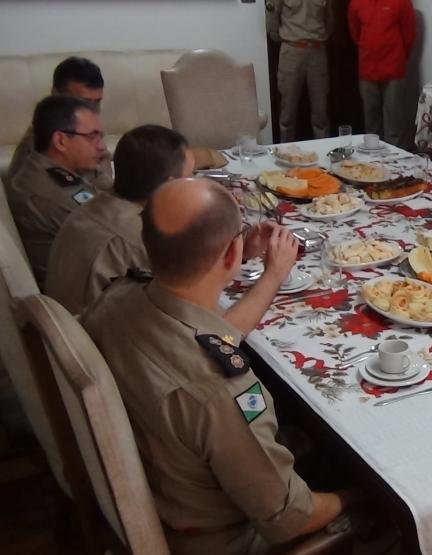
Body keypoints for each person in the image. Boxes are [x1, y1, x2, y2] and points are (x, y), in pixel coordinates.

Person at [82, 177, 359, 554]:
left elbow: (201, 338)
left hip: (161, 481)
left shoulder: (117, 298)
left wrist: (247, 258)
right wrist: (356, 495)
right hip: (223, 538)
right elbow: (291, 516)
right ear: (229, 256)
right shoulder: (222, 391)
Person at [45, 125, 194, 314]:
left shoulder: (95, 205)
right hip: (96, 336)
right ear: (168, 185)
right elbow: (190, 305)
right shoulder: (142, 237)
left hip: (71, 326)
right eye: (189, 178)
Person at [7, 95, 108, 281]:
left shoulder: (59, 167)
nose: (101, 146)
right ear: (60, 141)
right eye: (92, 137)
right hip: (81, 295)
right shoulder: (52, 193)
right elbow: (114, 235)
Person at [4, 56, 111, 188]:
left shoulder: (88, 137)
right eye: (83, 103)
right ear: (55, 94)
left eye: (97, 102)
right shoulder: (37, 152)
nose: (93, 111)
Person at [348, 0, 415, 149]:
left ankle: (395, 164)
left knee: (394, 126)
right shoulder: (356, 3)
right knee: (371, 124)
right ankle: (373, 164)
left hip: (393, 70)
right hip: (367, 69)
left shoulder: (402, 2)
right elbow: (355, 32)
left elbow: (409, 34)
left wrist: (397, 58)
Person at [266, 0, 333, 141]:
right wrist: (289, 39)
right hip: (291, 51)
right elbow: (272, 23)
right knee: (287, 115)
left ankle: (324, 156)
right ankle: (286, 156)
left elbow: (329, 20)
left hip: (317, 50)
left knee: (321, 114)